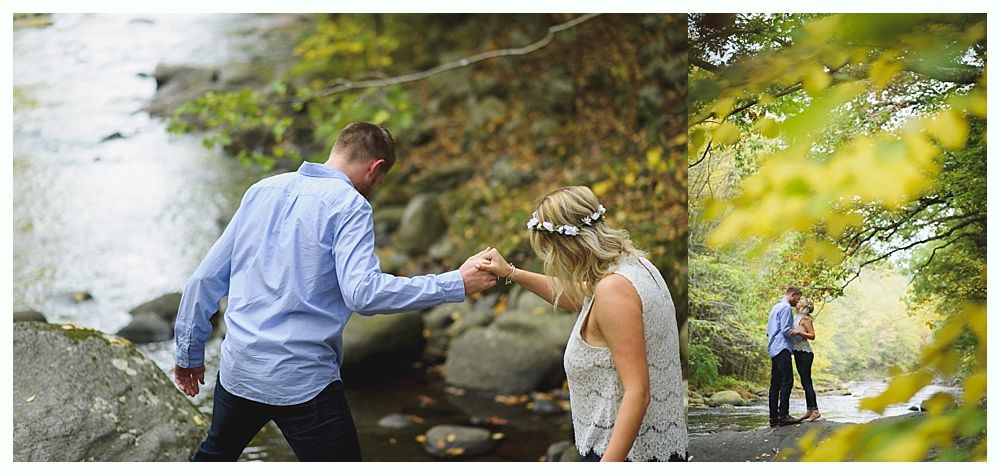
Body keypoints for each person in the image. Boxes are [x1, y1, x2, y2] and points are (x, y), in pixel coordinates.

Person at [172, 122, 497, 461]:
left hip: (241, 367)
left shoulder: (262, 189)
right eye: (380, 180)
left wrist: (188, 353)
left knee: (215, 456)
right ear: (377, 167)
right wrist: (455, 283)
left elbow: (203, 280)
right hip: (302, 380)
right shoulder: (350, 205)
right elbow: (364, 293)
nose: (376, 187)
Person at [478, 186, 687, 462]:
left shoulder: (614, 291)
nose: (549, 260)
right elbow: (581, 296)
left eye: (548, 251)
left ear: (565, 246)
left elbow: (638, 393)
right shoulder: (634, 266)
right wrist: (511, 273)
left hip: (624, 455)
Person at [767, 287, 802, 427]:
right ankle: (783, 415)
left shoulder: (775, 307)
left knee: (775, 384)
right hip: (782, 347)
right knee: (787, 380)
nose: (797, 302)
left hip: (773, 347)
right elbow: (786, 330)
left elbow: (769, 330)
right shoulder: (786, 309)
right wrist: (801, 336)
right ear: (792, 295)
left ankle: (773, 417)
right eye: (797, 298)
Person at [790, 298, 820, 421]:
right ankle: (809, 410)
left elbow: (812, 335)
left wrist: (799, 333)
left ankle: (815, 411)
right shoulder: (796, 317)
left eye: (799, 303)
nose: (797, 303)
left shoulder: (806, 319)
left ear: (803, 307)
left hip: (805, 353)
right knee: (804, 381)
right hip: (797, 352)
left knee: (807, 381)